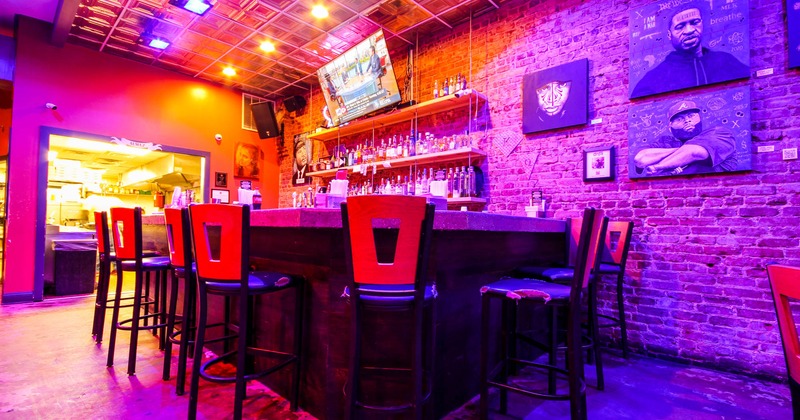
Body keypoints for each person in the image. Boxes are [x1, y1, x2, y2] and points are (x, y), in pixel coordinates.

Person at [630, 4, 749, 98]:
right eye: (680, 26)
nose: (689, 30)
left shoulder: (726, 61)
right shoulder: (654, 78)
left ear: (702, 24)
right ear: (669, 34)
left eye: (694, 22)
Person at [633, 100, 737, 176]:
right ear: (670, 127)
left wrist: (657, 166)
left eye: (691, 116)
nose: (687, 121)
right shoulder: (665, 142)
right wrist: (679, 151)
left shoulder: (718, 134)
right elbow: (641, 159)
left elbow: (695, 152)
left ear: (700, 118)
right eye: (679, 119)